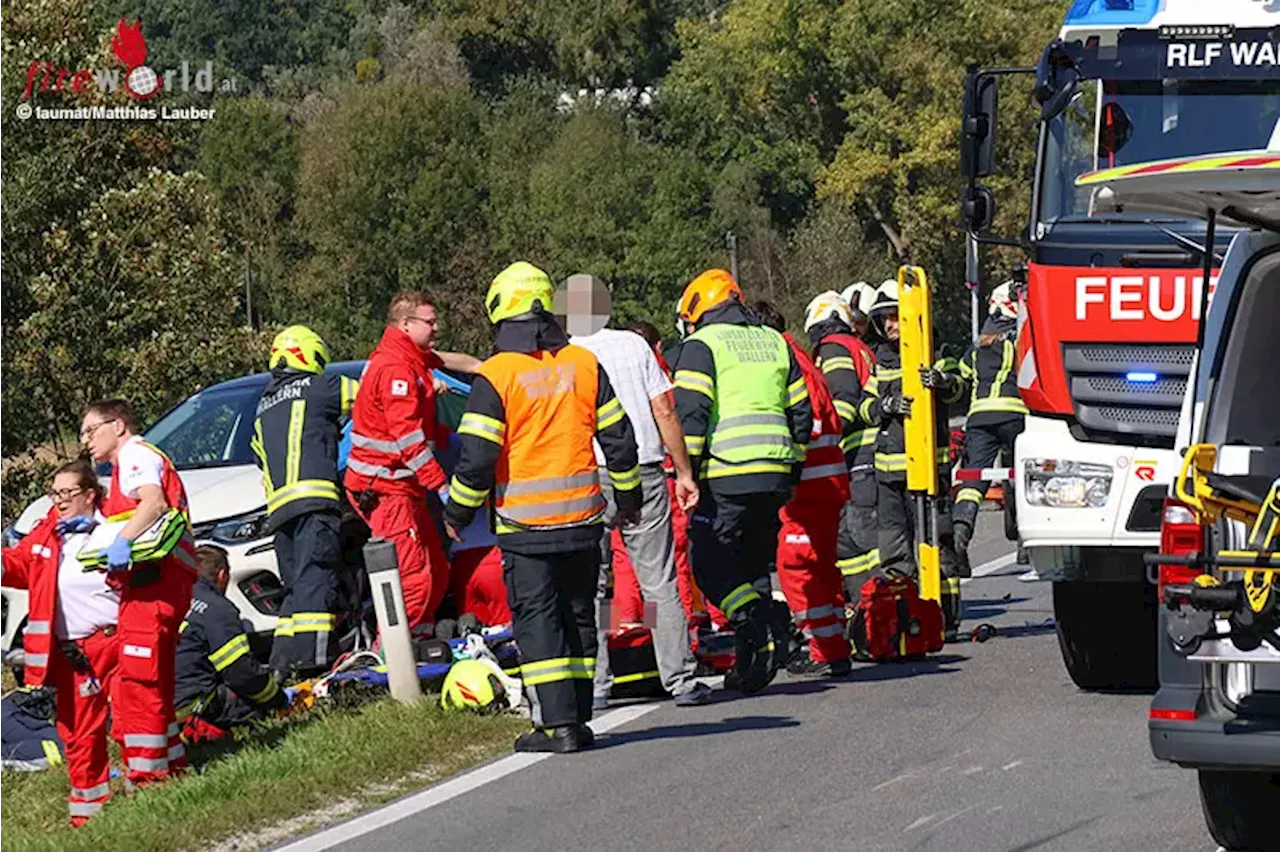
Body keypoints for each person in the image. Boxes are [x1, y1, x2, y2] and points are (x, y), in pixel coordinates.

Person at [444, 261, 642, 754]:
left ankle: (555, 727)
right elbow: (620, 440)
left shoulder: (497, 374)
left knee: (539, 623)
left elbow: (477, 458)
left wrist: (455, 515)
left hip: (524, 525)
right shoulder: (582, 364)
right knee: (578, 616)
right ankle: (578, 719)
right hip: (582, 520)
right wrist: (630, 498)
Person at [557, 273, 710, 709]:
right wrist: (683, 472)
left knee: (594, 584)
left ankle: (598, 685)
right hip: (642, 469)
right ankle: (678, 677)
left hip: (588, 474)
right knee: (658, 579)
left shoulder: (564, 353)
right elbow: (664, 408)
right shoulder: (634, 345)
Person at [673, 269, 812, 693]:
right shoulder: (773, 341)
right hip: (773, 471)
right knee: (752, 564)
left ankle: (759, 620)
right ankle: (755, 662)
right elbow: (801, 413)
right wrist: (792, 469)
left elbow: (692, 415)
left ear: (697, 310)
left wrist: (687, 472)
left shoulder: (701, 345)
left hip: (726, 471)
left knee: (709, 563)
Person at [81, 399, 196, 787]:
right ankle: (172, 765)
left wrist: (122, 542)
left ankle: (148, 779)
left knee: (138, 682)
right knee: (154, 679)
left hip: (154, 585)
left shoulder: (134, 456)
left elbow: (153, 501)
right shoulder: (121, 469)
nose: (86, 441)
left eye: (91, 430)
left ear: (118, 426)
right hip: (153, 584)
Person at [0, 459, 118, 824]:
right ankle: (87, 815)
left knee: (131, 722)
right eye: (55, 493)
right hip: (73, 654)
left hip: (112, 643)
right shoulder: (50, 530)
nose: (60, 500)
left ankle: (149, 790)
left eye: (68, 492)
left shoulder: (113, 527)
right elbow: (20, 564)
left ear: (89, 494)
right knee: (78, 734)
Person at [251, 326, 360, 681]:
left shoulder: (263, 408)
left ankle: (282, 665)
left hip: (278, 513)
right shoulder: (320, 387)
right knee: (316, 580)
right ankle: (313, 666)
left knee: (295, 590)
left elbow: (259, 458)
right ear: (311, 356)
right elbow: (369, 396)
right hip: (316, 502)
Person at [858, 282, 965, 637]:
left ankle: (945, 616)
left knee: (938, 543)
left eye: (895, 317)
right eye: (885, 319)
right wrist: (885, 406)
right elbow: (864, 406)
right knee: (893, 547)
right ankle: (905, 615)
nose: (890, 325)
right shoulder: (880, 359)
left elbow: (960, 387)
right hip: (888, 473)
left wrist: (940, 381)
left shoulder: (936, 348)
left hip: (930, 470)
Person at [344, 291, 453, 639]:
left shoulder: (409, 359)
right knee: (413, 578)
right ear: (406, 324)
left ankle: (417, 647)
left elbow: (452, 361)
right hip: (386, 488)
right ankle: (391, 660)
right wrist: (441, 485)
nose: (437, 328)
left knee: (435, 568)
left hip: (402, 488)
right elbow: (408, 439)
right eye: (430, 322)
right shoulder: (396, 369)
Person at [753, 301, 852, 678]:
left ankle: (823, 647)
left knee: (795, 565)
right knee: (822, 566)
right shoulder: (799, 358)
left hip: (810, 483)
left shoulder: (785, 362)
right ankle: (833, 645)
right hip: (823, 481)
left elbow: (804, 421)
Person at [804, 290, 879, 598]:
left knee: (858, 536)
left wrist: (821, 439)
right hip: (871, 452)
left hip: (859, 453)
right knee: (852, 538)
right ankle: (866, 604)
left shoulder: (833, 348)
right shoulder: (858, 346)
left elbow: (843, 401)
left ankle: (872, 603)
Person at [174, 546, 292, 739]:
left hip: (156, 706)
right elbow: (241, 673)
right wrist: (278, 699)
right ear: (222, 575)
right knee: (256, 709)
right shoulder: (218, 610)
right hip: (192, 705)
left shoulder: (173, 598)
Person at [953, 281, 1028, 566]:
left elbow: (960, 375)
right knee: (1020, 476)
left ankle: (961, 535)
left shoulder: (978, 347)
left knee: (972, 478)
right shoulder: (1022, 341)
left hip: (980, 418)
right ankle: (1025, 543)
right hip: (1015, 415)